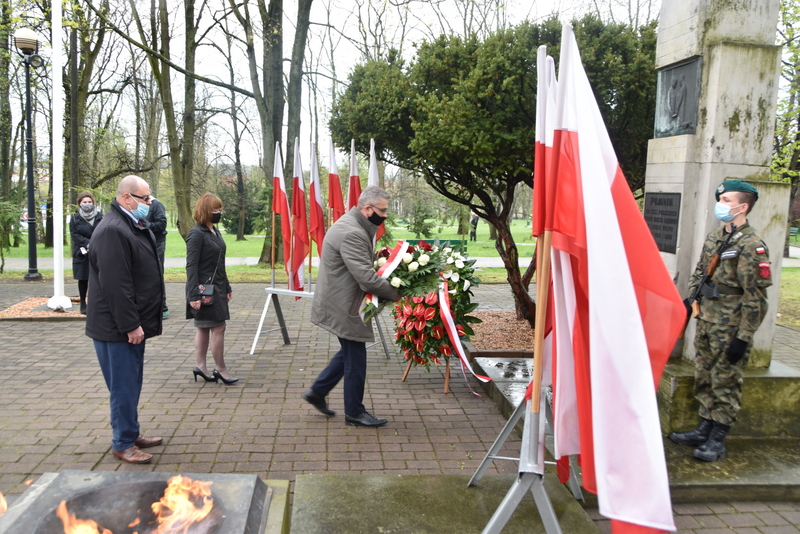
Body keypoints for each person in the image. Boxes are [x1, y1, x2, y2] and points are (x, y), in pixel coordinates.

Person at [669, 180, 772, 462]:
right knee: (704, 374)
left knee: (725, 379)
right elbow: (700, 271)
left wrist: (744, 336)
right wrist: (693, 299)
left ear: (743, 206)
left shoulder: (752, 245)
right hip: (707, 319)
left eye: (726, 200)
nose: (721, 204)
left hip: (731, 324)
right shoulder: (717, 236)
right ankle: (704, 426)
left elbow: (756, 297)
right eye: (721, 199)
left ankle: (718, 438)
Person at [302, 185, 400, 427]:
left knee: (349, 352)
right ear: (368, 209)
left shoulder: (354, 224)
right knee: (356, 359)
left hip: (341, 299)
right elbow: (366, 278)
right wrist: (397, 294)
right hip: (344, 304)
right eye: (383, 210)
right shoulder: (353, 232)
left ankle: (317, 391)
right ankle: (354, 412)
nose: (385, 215)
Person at [85, 175, 164, 464]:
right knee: (123, 386)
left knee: (131, 383)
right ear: (126, 198)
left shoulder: (129, 224)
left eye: (149, 196)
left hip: (125, 324)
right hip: (115, 327)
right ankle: (123, 443)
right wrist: (130, 324)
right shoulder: (113, 230)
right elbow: (116, 285)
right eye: (145, 198)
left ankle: (130, 432)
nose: (150, 202)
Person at [185, 193, 238, 385]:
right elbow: (191, 265)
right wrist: (194, 295)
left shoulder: (214, 231)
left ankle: (201, 366)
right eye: (214, 210)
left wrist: (227, 286)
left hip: (217, 287)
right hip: (203, 289)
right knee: (217, 327)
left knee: (206, 328)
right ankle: (220, 369)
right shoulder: (196, 234)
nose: (218, 213)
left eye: (220, 209)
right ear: (205, 210)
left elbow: (219, 263)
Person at [70, 191, 103, 314]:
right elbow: (74, 234)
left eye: (89, 202)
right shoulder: (75, 218)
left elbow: (103, 232)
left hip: (97, 251)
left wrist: (94, 245)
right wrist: (87, 244)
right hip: (81, 253)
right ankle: (83, 303)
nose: (87, 204)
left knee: (98, 278)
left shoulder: (100, 217)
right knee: (83, 279)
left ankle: (96, 303)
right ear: (80, 203)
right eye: (84, 202)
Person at [146, 196, 169, 318]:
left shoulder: (156, 205)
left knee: (157, 273)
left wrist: (147, 225)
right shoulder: (136, 205)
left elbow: (162, 224)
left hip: (157, 243)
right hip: (143, 243)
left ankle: (162, 306)